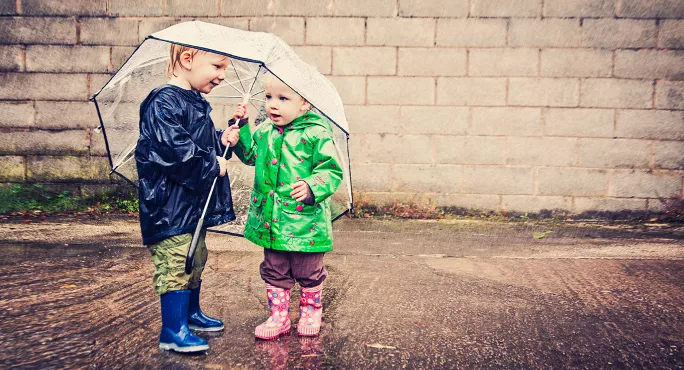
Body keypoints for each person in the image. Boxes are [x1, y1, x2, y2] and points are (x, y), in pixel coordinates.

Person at [135, 44, 240, 353]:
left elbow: (201, 142)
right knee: (177, 261)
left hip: (190, 205)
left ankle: (190, 314)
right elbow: (175, 150)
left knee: (195, 258)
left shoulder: (193, 101)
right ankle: (172, 330)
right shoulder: (164, 102)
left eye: (225, 69)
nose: (222, 76)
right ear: (187, 59)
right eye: (218, 67)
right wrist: (212, 165)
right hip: (169, 206)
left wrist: (224, 137)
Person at [228, 75, 343, 339]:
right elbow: (251, 156)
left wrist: (313, 186)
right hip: (272, 218)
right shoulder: (265, 131)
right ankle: (278, 317)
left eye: (283, 99)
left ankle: (310, 311)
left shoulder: (316, 133)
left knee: (309, 270)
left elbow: (331, 170)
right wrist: (241, 132)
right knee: (274, 268)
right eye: (268, 98)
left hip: (305, 222)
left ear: (305, 104)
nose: (273, 105)